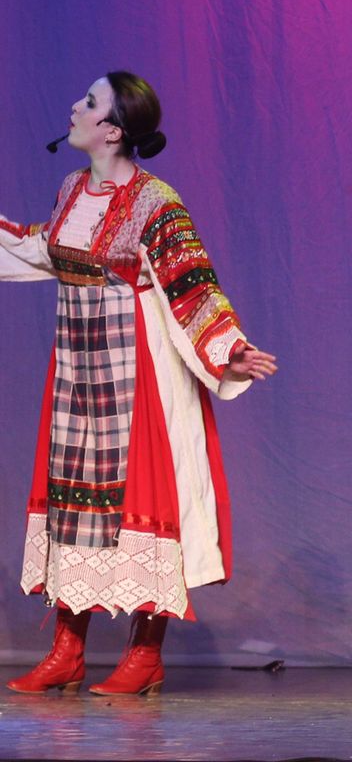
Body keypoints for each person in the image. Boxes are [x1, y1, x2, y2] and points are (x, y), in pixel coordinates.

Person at [0, 72, 277, 697]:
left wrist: (230, 351)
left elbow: (193, 283)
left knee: (143, 498)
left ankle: (146, 654)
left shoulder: (156, 202)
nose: (75, 107)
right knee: (74, 498)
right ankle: (66, 651)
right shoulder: (71, 189)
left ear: (113, 130)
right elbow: (46, 248)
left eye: (89, 102)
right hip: (79, 370)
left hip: (141, 371)